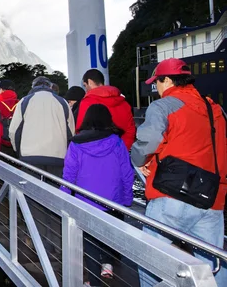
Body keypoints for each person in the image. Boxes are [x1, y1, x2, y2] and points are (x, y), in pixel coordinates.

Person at [130, 58, 227, 287]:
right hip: (211, 197)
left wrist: (140, 158)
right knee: (213, 265)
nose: (157, 88)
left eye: (157, 82)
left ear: (167, 80)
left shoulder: (163, 105)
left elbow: (149, 140)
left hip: (172, 194)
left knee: (152, 259)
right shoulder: (214, 108)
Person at [61, 104, 133, 284]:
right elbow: (127, 172)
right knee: (109, 233)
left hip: (85, 201)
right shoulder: (116, 141)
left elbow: (69, 173)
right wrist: (127, 198)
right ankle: (107, 264)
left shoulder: (76, 143)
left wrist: (64, 196)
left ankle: (93, 281)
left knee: (90, 240)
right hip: (113, 200)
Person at [9, 76, 75, 177]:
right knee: (54, 191)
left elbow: (14, 131)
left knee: (31, 191)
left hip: (30, 157)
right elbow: (71, 132)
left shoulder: (24, 101)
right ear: (51, 86)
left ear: (33, 86)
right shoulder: (62, 102)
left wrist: (18, 151)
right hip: (57, 158)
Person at [76, 69, 136, 150]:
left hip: (95, 153)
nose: (85, 89)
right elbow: (130, 130)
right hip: (120, 152)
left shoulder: (87, 102)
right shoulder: (123, 102)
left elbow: (81, 132)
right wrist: (122, 149)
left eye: (85, 85)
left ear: (89, 82)